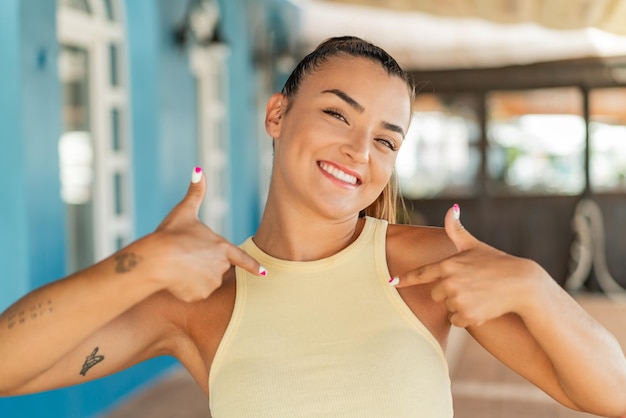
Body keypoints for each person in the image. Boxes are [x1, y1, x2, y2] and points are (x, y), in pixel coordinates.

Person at [1, 36, 625, 417]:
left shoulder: (427, 266)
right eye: (337, 114)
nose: (360, 151)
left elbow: (612, 394)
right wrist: (137, 266)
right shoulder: (198, 299)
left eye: (386, 139)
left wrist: (535, 287)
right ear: (278, 113)